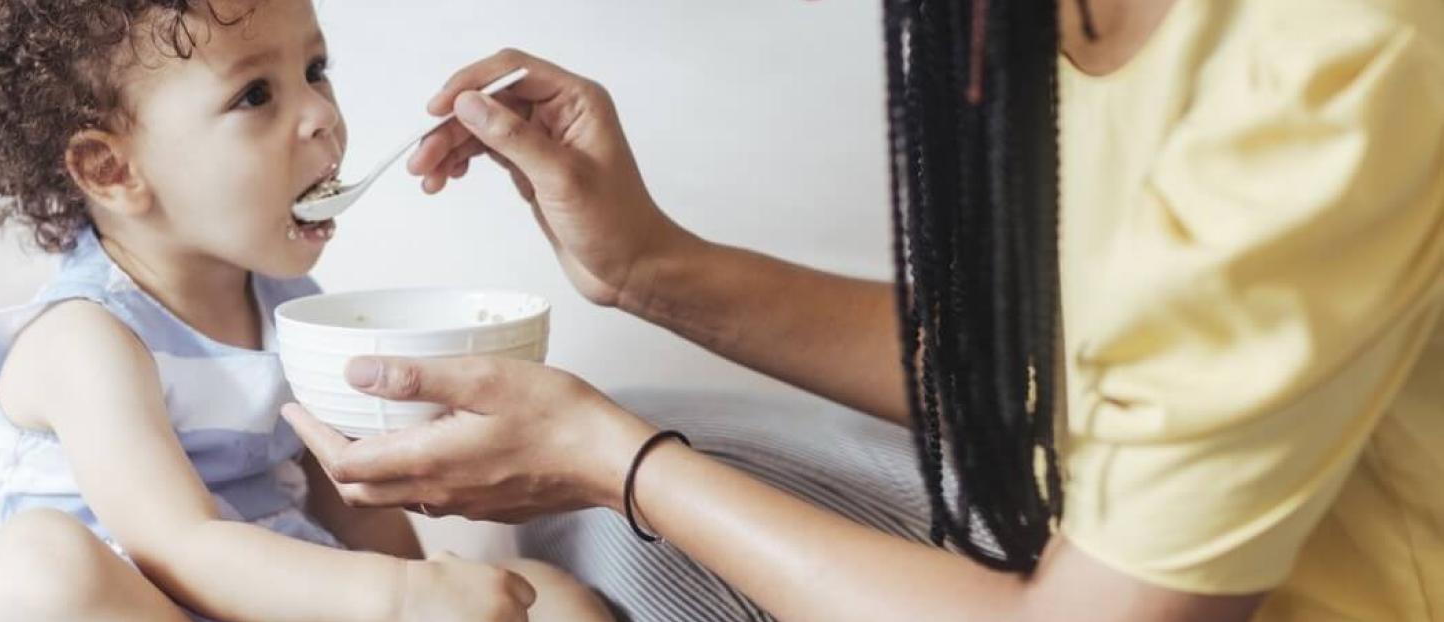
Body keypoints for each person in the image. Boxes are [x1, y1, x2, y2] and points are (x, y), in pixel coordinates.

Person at [283, 0, 1444, 619]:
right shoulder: (1037, 28)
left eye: (313, 74)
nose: (312, 126)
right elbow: (1076, 375)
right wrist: (642, 266)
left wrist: (616, 462)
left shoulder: (1331, 62)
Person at [0, 1, 611, 620]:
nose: (322, 116)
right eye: (255, 96)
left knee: (546, 598)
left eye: (315, 70)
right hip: (129, 601)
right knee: (40, 571)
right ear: (113, 170)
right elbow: (181, 543)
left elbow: (354, 502)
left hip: (262, 594)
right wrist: (400, 598)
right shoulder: (83, 339)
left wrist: (430, 589)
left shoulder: (293, 313)